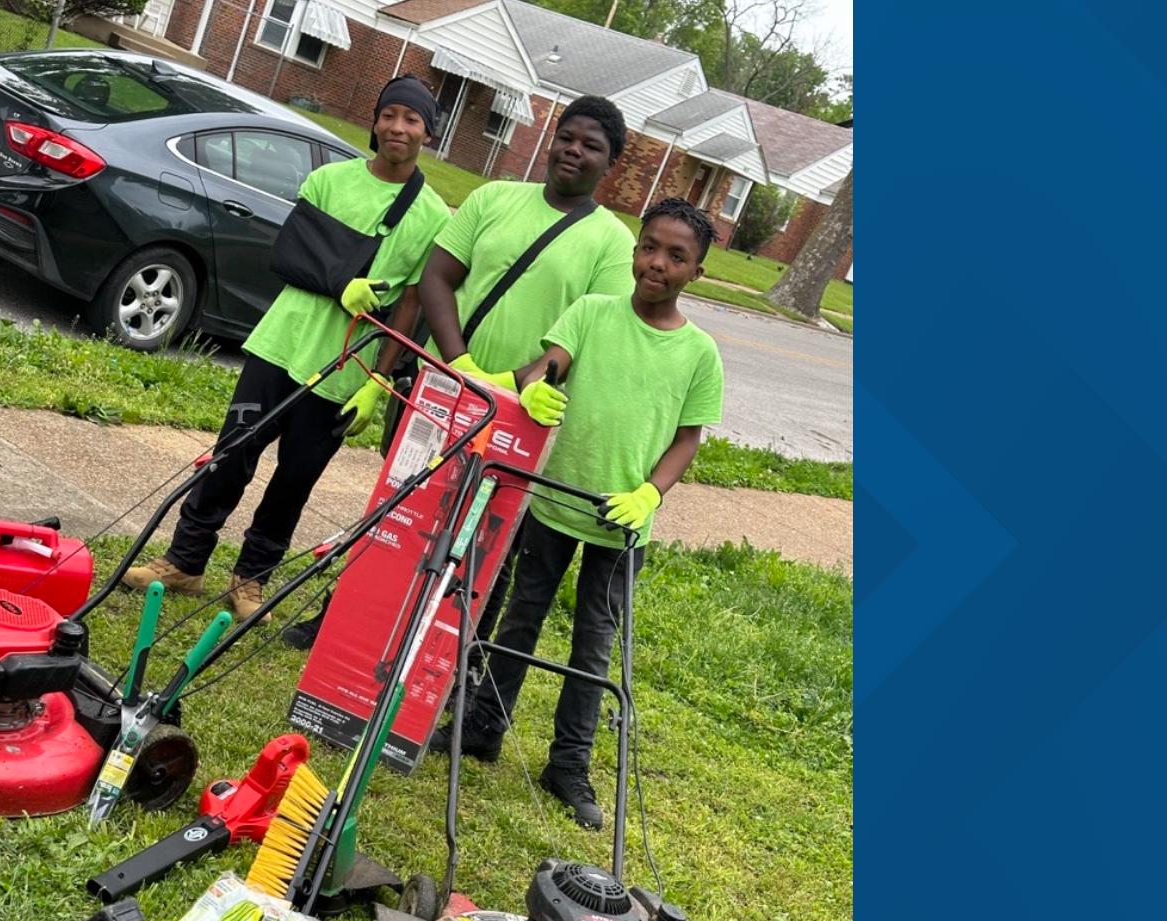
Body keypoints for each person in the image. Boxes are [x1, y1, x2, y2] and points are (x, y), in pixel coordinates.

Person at [282, 96, 636, 649]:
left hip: (522, 412)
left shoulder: (613, 243)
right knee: (399, 509)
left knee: (487, 539)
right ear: (552, 139)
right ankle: (341, 619)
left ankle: (452, 654)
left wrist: (520, 381)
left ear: (609, 164)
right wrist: (460, 361)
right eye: (567, 136)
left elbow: (594, 331)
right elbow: (437, 278)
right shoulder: (494, 197)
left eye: (592, 146)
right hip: (445, 385)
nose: (574, 150)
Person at [120, 76, 450, 621]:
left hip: (346, 366)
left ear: (428, 132)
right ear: (374, 121)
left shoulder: (433, 215)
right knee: (231, 457)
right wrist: (339, 282)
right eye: (390, 115)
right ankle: (184, 562)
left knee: (295, 480)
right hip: (282, 344)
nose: (398, 127)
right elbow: (290, 253)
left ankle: (252, 580)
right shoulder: (328, 180)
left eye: (412, 120)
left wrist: (379, 381)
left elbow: (412, 304)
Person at [443, 198, 726, 830]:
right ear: (635, 250)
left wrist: (650, 494)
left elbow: (686, 439)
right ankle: (484, 727)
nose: (656, 263)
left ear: (697, 272)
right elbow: (553, 364)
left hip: (621, 524)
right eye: (649, 246)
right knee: (520, 618)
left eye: (676, 256)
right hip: (553, 499)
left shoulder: (699, 353)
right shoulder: (594, 313)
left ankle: (567, 766)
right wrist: (537, 384)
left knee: (592, 648)